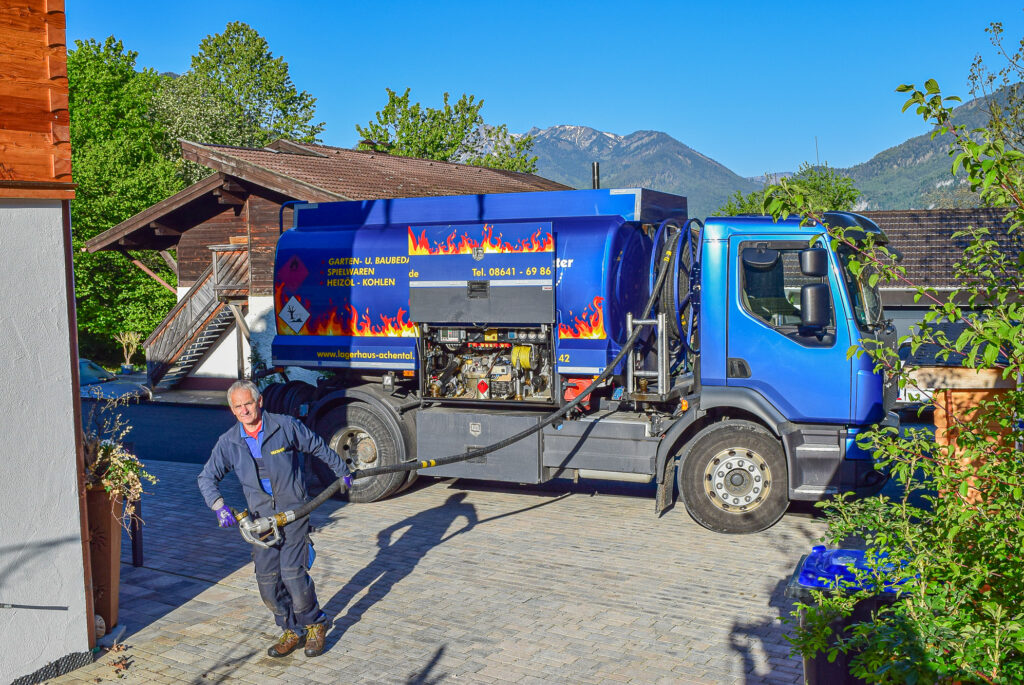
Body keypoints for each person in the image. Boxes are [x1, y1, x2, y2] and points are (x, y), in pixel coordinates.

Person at [197, 380, 352, 658]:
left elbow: (317, 446)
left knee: (293, 575)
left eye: (247, 403)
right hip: (260, 521)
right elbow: (207, 477)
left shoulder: (285, 426)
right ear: (232, 410)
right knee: (267, 584)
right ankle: (292, 629)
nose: (244, 410)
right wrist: (218, 506)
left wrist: (341, 470)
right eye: (237, 406)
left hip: (294, 512)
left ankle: (315, 624)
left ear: (259, 402)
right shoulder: (229, 442)